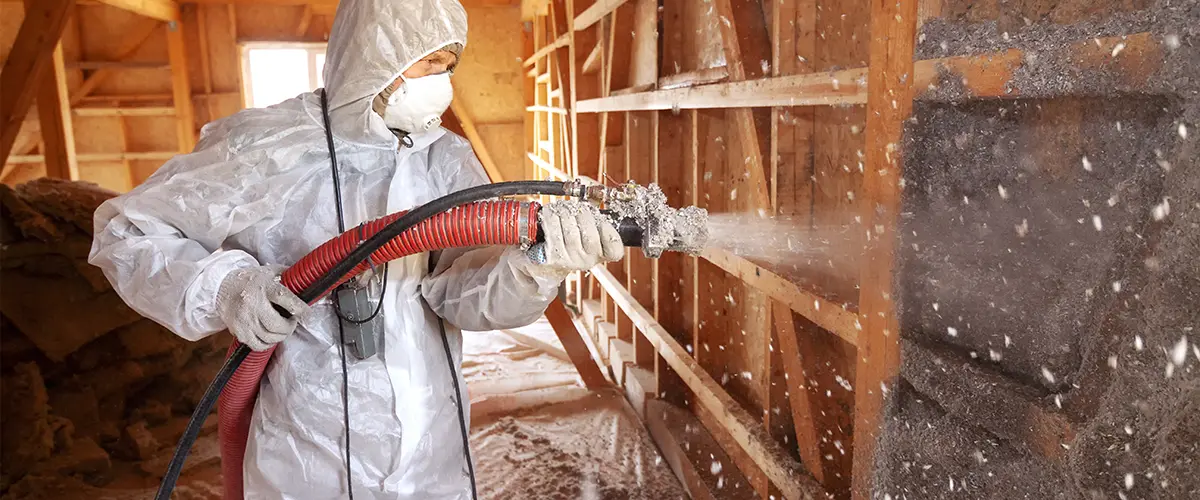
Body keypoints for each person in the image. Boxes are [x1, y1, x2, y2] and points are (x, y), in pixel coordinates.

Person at [87, 0, 623, 498]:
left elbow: (461, 295)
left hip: (431, 452)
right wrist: (229, 287)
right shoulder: (269, 148)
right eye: (426, 62)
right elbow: (127, 233)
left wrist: (534, 268)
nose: (441, 82)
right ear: (375, 56)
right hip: (309, 452)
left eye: (448, 65)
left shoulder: (443, 160)